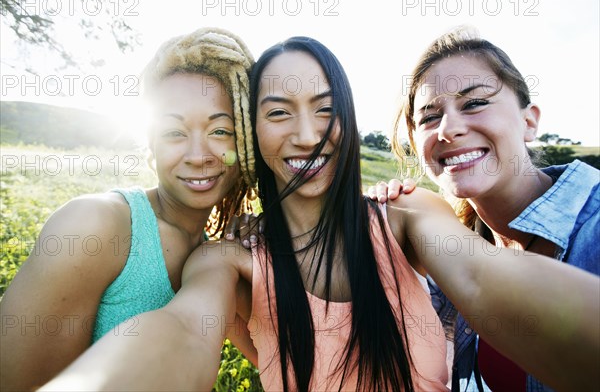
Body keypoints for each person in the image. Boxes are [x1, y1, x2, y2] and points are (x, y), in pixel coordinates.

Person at [40, 35, 599, 392]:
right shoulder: (229, 257)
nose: (307, 135)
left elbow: (481, 274)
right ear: (253, 132)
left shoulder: (404, 215)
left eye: (326, 110)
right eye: (278, 112)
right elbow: (184, 329)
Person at [0, 27, 259, 392]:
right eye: (174, 133)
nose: (199, 156)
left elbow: (286, 362)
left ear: (247, 143)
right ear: (150, 143)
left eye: (221, 132)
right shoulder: (94, 227)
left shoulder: (213, 253)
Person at [372, 26, 600, 392]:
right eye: (429, 117)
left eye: (475, 103)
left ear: (529, 121)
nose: (448, 129)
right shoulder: (447, 250)